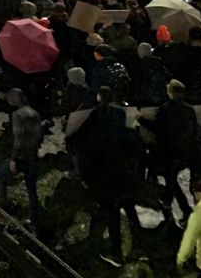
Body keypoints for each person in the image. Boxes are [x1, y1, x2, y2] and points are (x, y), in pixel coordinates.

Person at [67, 85, 141, 268]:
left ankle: (116, 254)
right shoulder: (124, 114)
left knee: (112, 211)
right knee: (130, 205)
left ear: (100, 98)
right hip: (124, 168)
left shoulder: (96, 116)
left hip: (106, 171)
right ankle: (139, 244)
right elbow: (134, 138)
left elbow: (78, 138)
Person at [140, 79, 199, 227]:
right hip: (185, 151)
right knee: (173, 182)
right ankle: (183, 210)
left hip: (168, 152)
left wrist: (141, 120)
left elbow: (158, 129)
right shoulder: (189, 110)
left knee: (169, 181)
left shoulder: (165, 110)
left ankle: (171, 211)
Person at [0, 88, 43, 224]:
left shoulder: (17, 115)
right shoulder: (34, 113)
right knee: (32, 190)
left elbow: (18, 139)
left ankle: (1, 208)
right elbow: (38, 135)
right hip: (33, 156)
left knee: (2, 179)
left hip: (21, 157)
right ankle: (35, 219)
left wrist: (13, 159)